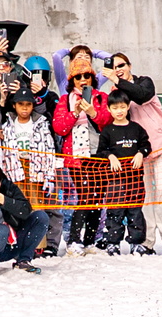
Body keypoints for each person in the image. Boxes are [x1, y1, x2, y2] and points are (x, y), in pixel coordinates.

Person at [110, 52, 162, 257]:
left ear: (130, 65)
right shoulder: (116, 92)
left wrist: (118, 81)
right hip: (138, 154)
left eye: (121, 64)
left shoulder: (144, 83)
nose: (118, 69)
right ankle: (145, 241)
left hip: (161, 146)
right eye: (114, 66)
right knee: (145, 198)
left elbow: (141, 96)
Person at [53, 57, 111, 255]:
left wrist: (94, 113)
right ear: (72, 80)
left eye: (87, 76)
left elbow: (108, 124)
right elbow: (59, 128)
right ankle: (74, 240)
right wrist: (74, 113)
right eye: (78, 77)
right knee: (85, 196)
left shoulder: (101, 97)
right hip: (76, 157)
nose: (83, 80)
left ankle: (90, 241)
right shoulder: (65, 100)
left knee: (97, 197)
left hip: (99, 153)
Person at [1, 91, 62, 256]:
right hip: (15, 169)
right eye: (21, 104)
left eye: (28, 105)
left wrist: (49, 176)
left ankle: (38, 245)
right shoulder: (7, 124)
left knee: (36, 207)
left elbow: (49, 150)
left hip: (35, 169)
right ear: (14, 105)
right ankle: (18, 243)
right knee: (18, 207)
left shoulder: (41, 124)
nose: (24, 108)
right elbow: (4, 152)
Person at [96, 88, 152, 255]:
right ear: (109, 109)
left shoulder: (137, 128)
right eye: (115, 108)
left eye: (122, 107)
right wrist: (110, 156)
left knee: (135, 211)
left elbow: (146, 145)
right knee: (115, 212)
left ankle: (136, 242)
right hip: (115, 181)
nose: (119, 111)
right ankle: (113, 242)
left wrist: (141, 153)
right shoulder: (107, 131)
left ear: (128, 107)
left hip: (135, 180)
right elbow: (101, 152)